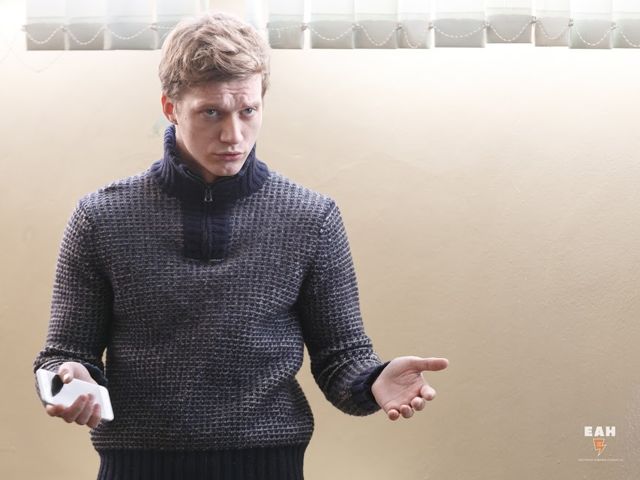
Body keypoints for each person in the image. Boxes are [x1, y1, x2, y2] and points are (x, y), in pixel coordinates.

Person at [33, 11, 449, 480]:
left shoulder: (311, 217)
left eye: (247, 111)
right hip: (137, 466)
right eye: (211, 112)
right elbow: (60, 357)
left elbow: (340, 358)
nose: (233, 135)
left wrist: (374, 381)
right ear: (170, 107)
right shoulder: (100, 218)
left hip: (270, 466)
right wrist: (66, 380)